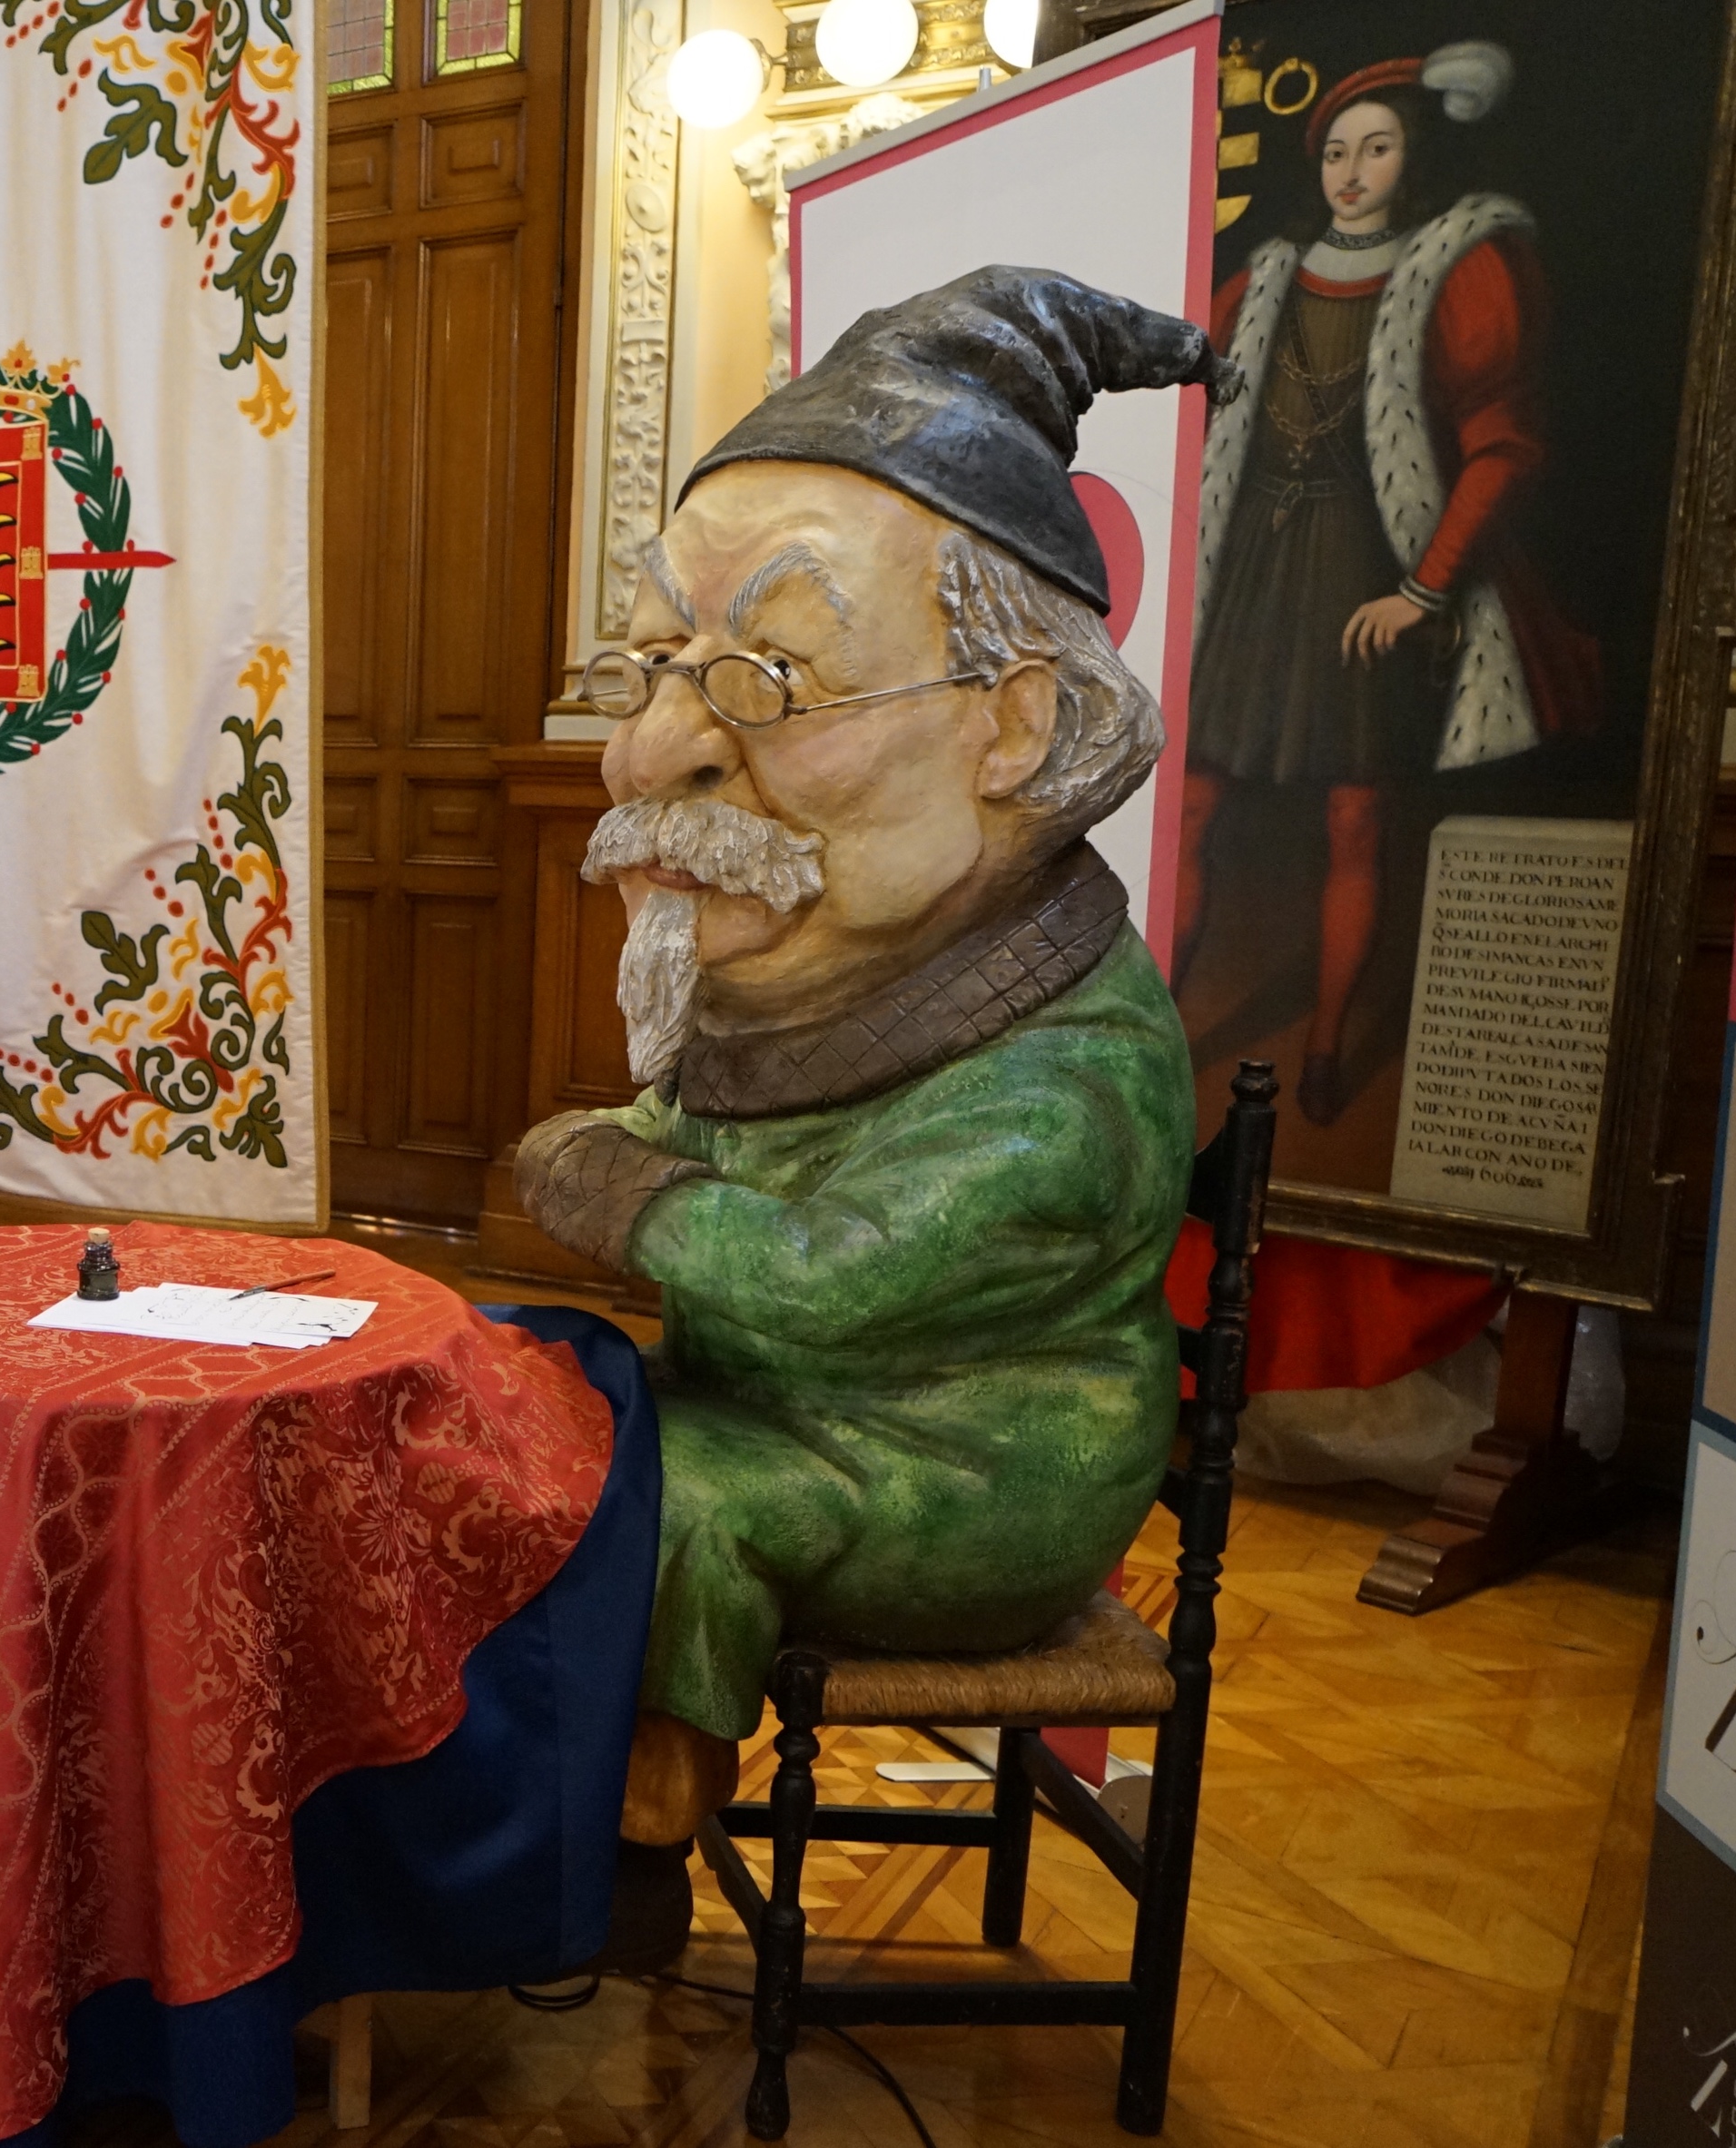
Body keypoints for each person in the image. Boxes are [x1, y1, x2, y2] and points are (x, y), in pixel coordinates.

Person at [516, 268, 1221, 1961]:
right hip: (770, 1392)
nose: (654, 752)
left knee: (683, 1492)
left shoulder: (1067, 1074)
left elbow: (832, 1271)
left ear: (1012, 725)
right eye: (659, 665)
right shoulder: (814, 970)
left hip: (961, 1474)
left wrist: (622, 1187)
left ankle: (630, 1830)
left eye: (769, 676)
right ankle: (485, 1799)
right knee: (520, 1401)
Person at [1176, 40, 1596, 1127]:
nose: (1350, 173)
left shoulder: (1456, 268)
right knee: (1192, 802)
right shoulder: (1262, 281)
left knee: (1356, 818)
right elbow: (1183, 421)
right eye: (1335, 153)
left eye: (1375, 149)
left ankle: (1323, 1048)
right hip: (1252, 563)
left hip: (1368, 568)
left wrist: (1420, 590)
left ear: (1412, 159)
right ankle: (1158, 1031)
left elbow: (1501, 448)